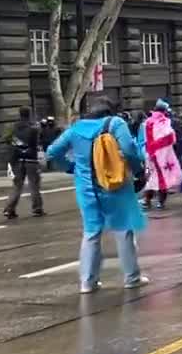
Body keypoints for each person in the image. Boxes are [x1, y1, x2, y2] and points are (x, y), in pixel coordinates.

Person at [45, 97, 148, 294]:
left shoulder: (76, 129)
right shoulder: (115, 123)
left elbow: (52, 153)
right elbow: (129, 150)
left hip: (86, 188)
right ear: (110, 111)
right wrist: (138, 171)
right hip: (115, 184)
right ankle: (131, 278)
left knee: (91, 232)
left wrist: (71, 168)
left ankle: (87, 282)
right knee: (123, 230)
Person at [138, 99, 182, 210]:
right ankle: (160, 202)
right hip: (163, 154)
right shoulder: (165, 121)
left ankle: (147, 200)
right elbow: (171, 137)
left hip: (148, 153)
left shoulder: (147, 122)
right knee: (163, 177)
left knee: (150, 176)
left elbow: (144, 139)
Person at [4, 106, 44, 219]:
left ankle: (9, 209)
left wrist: (18, 146)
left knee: (17, 186)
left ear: (19, 114)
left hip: (17, 160)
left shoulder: (13, 128)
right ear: (29, 114)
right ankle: (37, 209)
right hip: (31, 160)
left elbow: (7, 139)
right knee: (34, 186)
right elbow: (37, 143)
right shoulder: (34, 128)